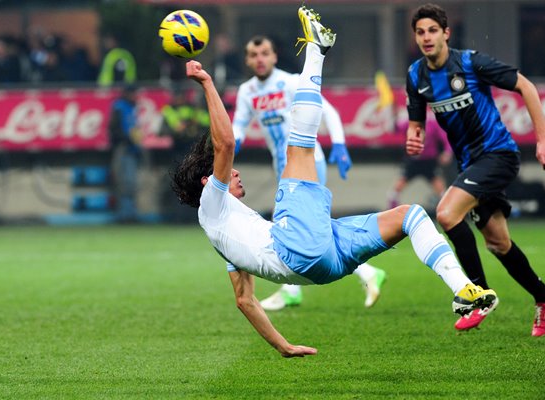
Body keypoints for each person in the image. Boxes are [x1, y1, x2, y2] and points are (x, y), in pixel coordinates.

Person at [171, 6, 497, 357]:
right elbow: (226, 143)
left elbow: (244, 300)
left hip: (324, 266)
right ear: (208, 182)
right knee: (297, 148)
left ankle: (465, 291)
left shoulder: (223, 236)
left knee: (411, 216)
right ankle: (316, 48)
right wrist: (206, 82)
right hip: (296, 246)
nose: (234, 173)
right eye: (225, 173)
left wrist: (283, 346)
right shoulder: (212, 204)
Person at [406, 3, 545, 336]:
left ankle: (478, 295)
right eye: (420, 32)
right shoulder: (416, 75)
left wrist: (541, 140)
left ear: (446, 33)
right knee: (499, 244)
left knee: (446, 213)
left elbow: (525, 86)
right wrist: (415, 137)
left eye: (432, 30)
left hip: (498, 155)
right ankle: (543, 298)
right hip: (469, 163)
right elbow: (416, 122)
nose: (426, 37)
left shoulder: (470, 62)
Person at [232, 34, 386, 311]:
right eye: (254, 55)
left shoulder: (290, 82)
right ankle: (363, 273)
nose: (260, 59)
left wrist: (339, 145)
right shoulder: (247, 91)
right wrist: (232, 142)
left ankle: (296, 289)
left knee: (299, 227)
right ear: (247, 60)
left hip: (308, 161)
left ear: (274, 56)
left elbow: (330, 111)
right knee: (305, 227)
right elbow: (239, 125)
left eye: (265, 53)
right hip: (282, 167)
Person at [388, 115, 452, 210]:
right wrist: (392, 118)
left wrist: (447, 152)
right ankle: (393, 208)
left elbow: (445, 139)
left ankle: (447, 209)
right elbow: (395, 129)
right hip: (413, 161)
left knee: (441, 190)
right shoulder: (408, 122)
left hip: (429, 162)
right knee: (396, 188)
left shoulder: (433, 123)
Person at [108, 84, 142, 223]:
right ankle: (124, 215)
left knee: (131, 183)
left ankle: (130, 213)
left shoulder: (131, 108)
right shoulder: (119, 107)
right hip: (122, 149)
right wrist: (127, 138)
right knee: (124, 183)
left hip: (131, 150)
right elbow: (113, 129)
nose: (135, 97)